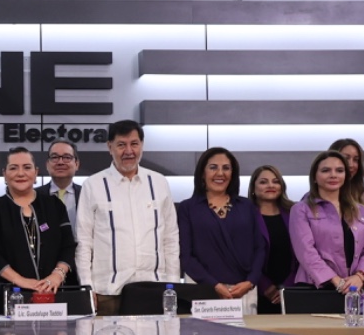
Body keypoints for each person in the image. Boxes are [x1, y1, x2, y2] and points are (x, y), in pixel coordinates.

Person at [74, 119, 179, 316]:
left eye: (134, 144)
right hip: (107, 293)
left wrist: (173, 285)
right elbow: (84, 242)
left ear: (142, 145)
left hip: (154, 289)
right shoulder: (93, 185)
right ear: (110, 147)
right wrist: (86, 287)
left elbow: (170, 238)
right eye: (121, 145)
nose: (129, 151)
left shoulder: (159, 183)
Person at [0, 146, 75, 316]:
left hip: (53, 294)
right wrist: (20, 281)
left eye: (27, 167)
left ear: (36, 173)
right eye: (13, 168)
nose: (20, 173)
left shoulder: (54, 205)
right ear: (4, 174)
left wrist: (57, 275)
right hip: (9, 296)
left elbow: (68, 246)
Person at [176, 146, 268, 306]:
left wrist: (251, 281)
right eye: (213, 167)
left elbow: (260, 248)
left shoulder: (246, 206)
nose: (220, 173)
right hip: (203, 290)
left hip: (243, 291)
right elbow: (186, 256)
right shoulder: (188, 208)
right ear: (202, 173)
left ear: (233, 174)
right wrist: (214, 285)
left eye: (226, 168)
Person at [288, 150, 364, 293]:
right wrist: (336, 281)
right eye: (326, 170)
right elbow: (306, 252)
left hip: (354, 287)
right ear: (314, 177)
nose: (333, 175)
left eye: (339, 170)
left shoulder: (361, 210)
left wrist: (360, 276)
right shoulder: (301, 209)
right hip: (316, 288)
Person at [248, 164, 295, 311]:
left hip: (292, 289)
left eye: (276, 181)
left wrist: (287, 286)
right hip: (257, 291)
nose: (270, 185)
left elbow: (303, 253)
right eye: (263, 182)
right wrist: (264, 285)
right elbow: (244, 256)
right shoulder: (245, 215)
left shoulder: (294, 212)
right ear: (253, 188)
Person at [39, 139, 83, 225]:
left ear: (76, 164)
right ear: (47, 165)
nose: (60, 162)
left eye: (67, 157)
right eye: (55, 157)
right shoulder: (35, 196)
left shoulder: (86, 194)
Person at [330, 137, 364, 207]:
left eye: (355, 160)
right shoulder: (317, 197)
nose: (351, 165)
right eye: (346, 158)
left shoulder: (362, 195)